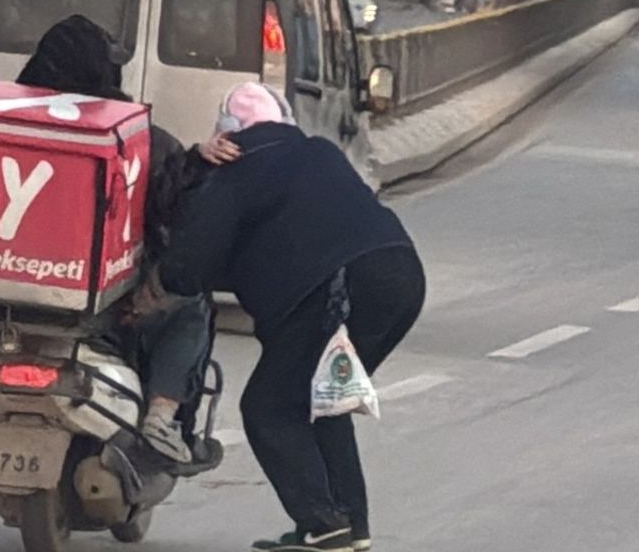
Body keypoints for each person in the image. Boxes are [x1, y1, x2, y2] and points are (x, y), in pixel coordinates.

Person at [137, 82, 426, 552]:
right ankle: (350, 527)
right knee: (324, 401)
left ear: (227, 135)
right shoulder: (319, 152)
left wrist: (157, 288)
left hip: (336, 289)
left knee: (270, 409)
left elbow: (189, 268)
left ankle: (322, 523)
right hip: (401, 276)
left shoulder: (235, 172)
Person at [0, 15, 221, 465]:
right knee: (192, 309)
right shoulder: (140, 137)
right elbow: (175, 213)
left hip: (7, 295)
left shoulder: (4, 122)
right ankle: (162, 420)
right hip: (103, 309)